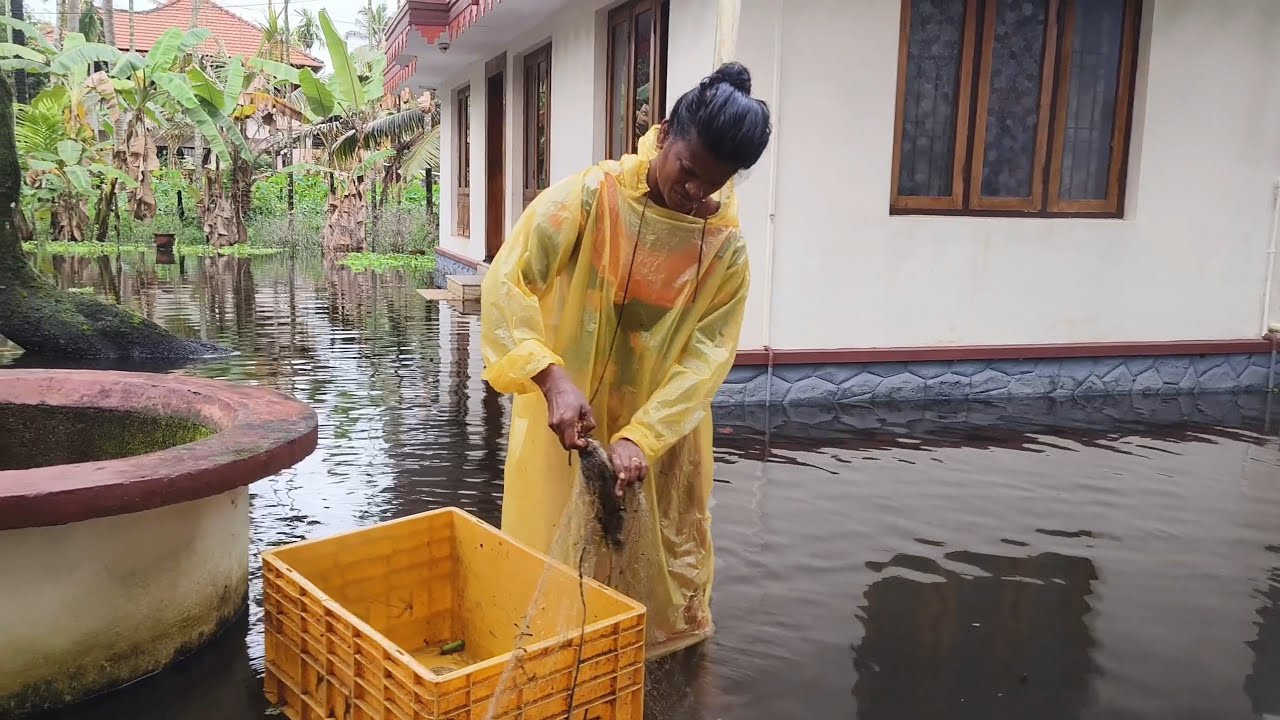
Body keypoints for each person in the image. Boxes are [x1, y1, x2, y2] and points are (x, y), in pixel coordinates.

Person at [480, 62, 772, 659]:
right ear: (665, 135)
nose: (693, 192)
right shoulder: (593, 196)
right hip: (569, 420)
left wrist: (643, 436)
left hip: (662, 438)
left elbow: (705, 359)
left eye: (710, 185)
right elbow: (510, 280)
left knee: (659, 567)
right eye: (687, 171)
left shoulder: (726, 251)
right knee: (556, 565)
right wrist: (550, 375)